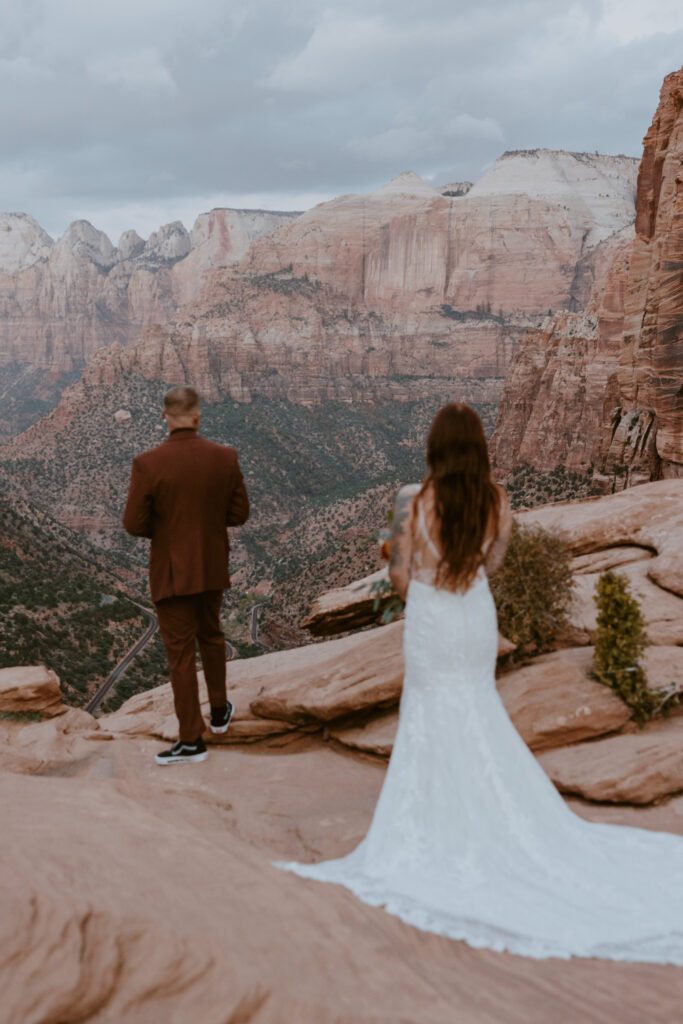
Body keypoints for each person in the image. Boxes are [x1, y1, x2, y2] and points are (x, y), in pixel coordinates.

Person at [280, 403, 683, 965]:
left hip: (432, 618)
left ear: (435, 448)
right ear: (478, 448)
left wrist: (400, 557)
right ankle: (493, 817)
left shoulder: (410, 500)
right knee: (476, 707)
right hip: (473, 615)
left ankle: (441, 824)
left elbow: (399, 578)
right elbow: (489, 564)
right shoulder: (497, 501)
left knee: (431, 712)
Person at [123, 385, 249, 765]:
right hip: (212, 565)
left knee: (180, 655)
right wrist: (208, 525)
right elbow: (240, 514)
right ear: (197, 416)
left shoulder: (147, 463)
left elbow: (133, 523)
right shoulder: (225, 458)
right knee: (211, 636)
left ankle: (191, 741)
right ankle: (220, 710)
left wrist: (166, 533)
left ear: (164, 417)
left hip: (172, 571)